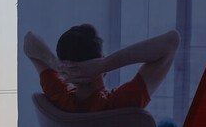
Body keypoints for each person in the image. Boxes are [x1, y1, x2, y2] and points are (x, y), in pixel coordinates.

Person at [23, 25, 180, 115]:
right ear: (100, 57)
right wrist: (104, 65)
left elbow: (28, 40)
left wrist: (56, 65)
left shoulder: (58, 96)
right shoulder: (124, 102)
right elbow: (172, 40)